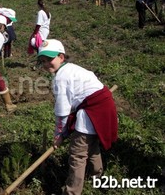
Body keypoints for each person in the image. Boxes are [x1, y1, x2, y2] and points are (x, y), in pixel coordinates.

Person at [37, 39, 118, 195]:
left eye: (50, 59)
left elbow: (62, 111)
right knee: (92, 145)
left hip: (94, 110)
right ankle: (97, 177)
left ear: (61, 57)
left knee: (78, 154)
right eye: (43, 61)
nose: (46, 64)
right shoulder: (71, 68)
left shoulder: (61, 77)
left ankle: (72, 191)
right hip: (102, 108)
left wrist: (59, 134)